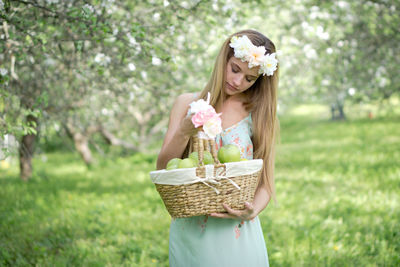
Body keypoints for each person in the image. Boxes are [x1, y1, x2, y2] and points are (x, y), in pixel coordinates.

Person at [156, 29, 279, 267]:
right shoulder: (186, 103)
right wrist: (185, 130)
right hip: (192, 231)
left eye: (249, 78)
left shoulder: (259, 115)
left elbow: (266, 181)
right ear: (224, 58)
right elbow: (163, 168)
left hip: (236, 231)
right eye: (234, 69)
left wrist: (251, 212)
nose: (237, 81)